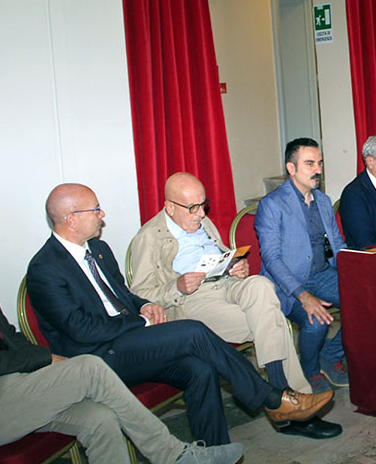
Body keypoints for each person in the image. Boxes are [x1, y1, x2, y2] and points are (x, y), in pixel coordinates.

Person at [0, 203, 243, 464]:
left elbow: (11, 338)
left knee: (100, 419)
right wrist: (45, 359)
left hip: (15, 388)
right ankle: (174, 458)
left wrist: (42, 368)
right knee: (90, 367)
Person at [26, 184, 333, 455]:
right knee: (194, 332)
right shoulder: (45, 268)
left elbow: (126, 296)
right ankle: (272, 398)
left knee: (201, 370)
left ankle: (217, 458)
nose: (102, 214)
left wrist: (144, 306)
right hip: (97, 358)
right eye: (95, 209)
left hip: (131, 339)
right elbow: (82, 330)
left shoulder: (98, 249)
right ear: (71, 219)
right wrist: (142, 319)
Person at [129, 172, 342, 439]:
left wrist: (236, 266)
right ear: (169, 207)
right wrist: (177, 287)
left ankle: (283, 400)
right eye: (192, 208)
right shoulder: (149, 237)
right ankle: (295, 407)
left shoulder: (202, 222)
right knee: (272, 321)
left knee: (260, 285)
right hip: (192, 300)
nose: (200, 214)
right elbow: (139, 294)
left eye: (203, 205)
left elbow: (220, 255)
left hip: (226, 284)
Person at [255, 138, 348, 394]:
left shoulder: (323, 201)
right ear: (291, 168)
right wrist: (304, 296)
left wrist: (356, 273)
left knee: (367, 301)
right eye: (309, 164)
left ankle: (329, 354)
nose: (318, 170)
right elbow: (272, 259)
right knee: (317, 321)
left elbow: (337, 245)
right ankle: (310, 369)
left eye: (320, 163)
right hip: (288, 283)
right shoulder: (272, 205)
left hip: (322, 274)